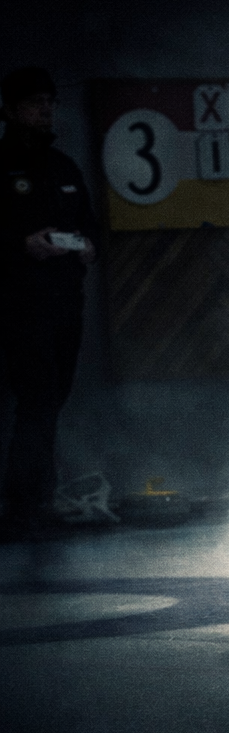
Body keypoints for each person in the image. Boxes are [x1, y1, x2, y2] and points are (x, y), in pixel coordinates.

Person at [1, 66, 98, 541]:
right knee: (36, 400)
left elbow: (91, 227)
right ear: (11, 108)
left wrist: (83, 245)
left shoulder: (63, 167)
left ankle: (38, 497)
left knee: (52, 401)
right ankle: (26, 505)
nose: (45, 109)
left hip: (66, 303)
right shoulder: (3, 165)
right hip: (20, 306)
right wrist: (22, 246)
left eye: (50, 102)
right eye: (35, 102)